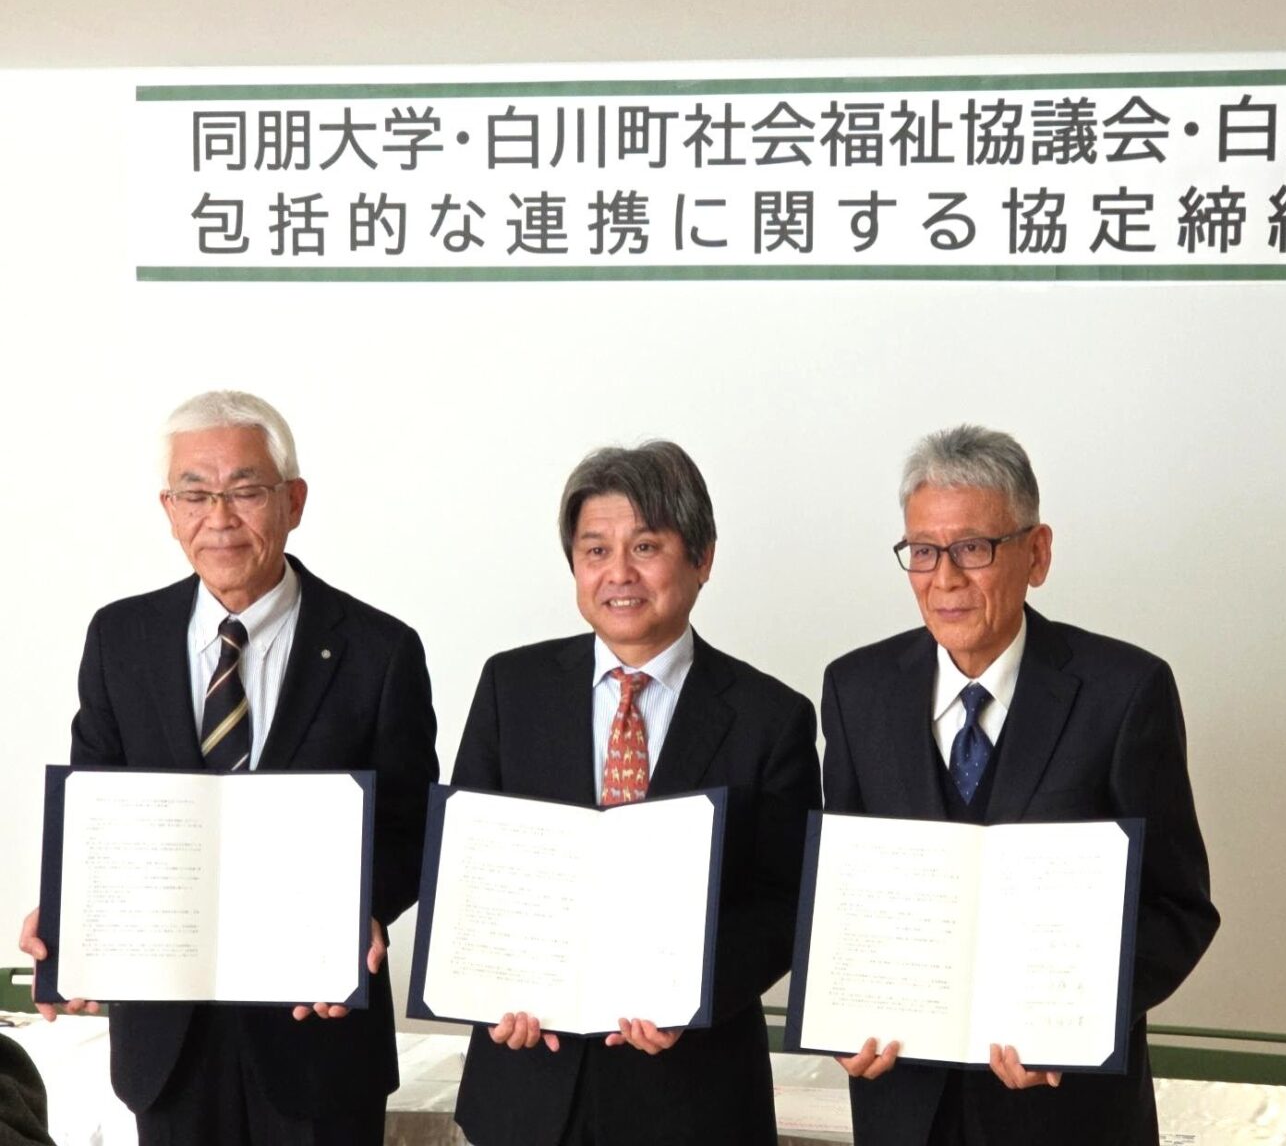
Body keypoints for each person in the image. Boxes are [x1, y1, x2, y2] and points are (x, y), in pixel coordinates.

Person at [17, 390, 439, 1145]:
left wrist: (361, 914)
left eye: (245, 491)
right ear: (169, 510)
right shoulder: (120, 639)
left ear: (293, 501)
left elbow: (413, 829)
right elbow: (97, 814)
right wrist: (72, 914)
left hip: (319, 1038)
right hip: (167, 1043)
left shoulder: (380, 651)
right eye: (195, 493)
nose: (219, 517)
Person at [821, 424, 1219, 1146]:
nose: (945, 578)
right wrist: (841, 1016)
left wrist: (1077, 1024)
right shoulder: (856, 691)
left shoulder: (1125, 693)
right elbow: (841, 897)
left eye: (973, 548)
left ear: (1037, 554)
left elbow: (1178, 908)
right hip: (904, 1109)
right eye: (922, 551)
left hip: (1068, 1117)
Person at [451, 440, 821, 1146]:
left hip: (693, 1096)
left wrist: (692, 997)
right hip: (528, 1087)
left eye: (645, 547)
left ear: (702, 558)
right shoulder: (511, 688)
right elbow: (469, 870)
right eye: (595, 551)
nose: (618, 573)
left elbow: (787, 903)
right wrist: (491, 984)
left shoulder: (772, 717)